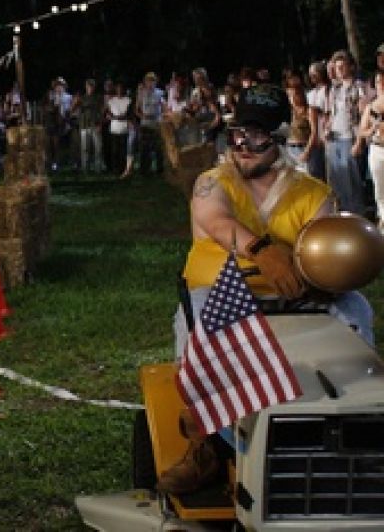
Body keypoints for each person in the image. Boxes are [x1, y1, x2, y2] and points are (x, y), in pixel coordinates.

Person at [159, 83, 374, 494]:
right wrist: (262, 251)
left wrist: (325, 278)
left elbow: (324, 244)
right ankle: (207, 446)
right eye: (237, 134)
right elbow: (217, 221)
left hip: (293, 294)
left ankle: (356, 418)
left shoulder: (314, 194)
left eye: (256, 136)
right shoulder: (211, 182)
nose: (243, 145)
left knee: (355, 308)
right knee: (198, 321)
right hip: (220, 292)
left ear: (279, 139)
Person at [324, 50, 369, 214]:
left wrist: (359, 142)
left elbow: (364, 116)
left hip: (349, 138)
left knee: (352, 181)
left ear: (351, 67)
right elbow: (332, 114)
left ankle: (356, 215)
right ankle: (342, 214)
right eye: (337, 67)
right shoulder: (334, 88)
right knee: (336, 179)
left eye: (342, 66)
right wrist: (327, 128)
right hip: (333, 138)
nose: (339, 70)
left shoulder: (359, 87)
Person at [358, 70, 384, 230]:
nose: (381, 85)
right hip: (376, 150)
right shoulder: (370, 107)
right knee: (379, 187)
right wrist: (373, 129)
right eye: (378, 81)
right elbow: (362, 131)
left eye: (383, 81)